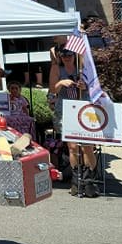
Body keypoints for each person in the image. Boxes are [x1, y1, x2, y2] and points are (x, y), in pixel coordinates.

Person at [48, 36, 99, 197]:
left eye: (69, 54)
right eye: (63, 55)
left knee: (87, 146)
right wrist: (61, 83)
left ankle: (89, 180)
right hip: (66, 109)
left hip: (83, 107)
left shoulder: (82, 66)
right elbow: (52, 90)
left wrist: (85, 86)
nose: (67, 57)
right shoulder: (57, 69)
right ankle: (76, 180)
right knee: (72, 147)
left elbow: (95, 86)